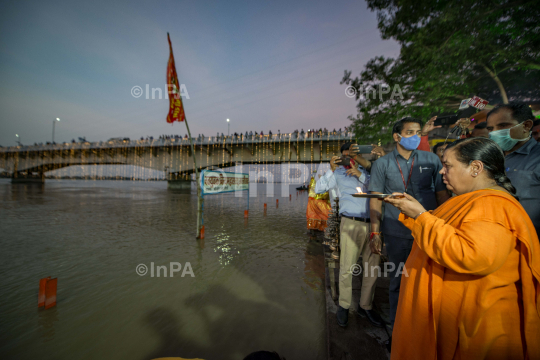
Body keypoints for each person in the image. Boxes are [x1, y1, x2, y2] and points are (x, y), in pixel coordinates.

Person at [385, 137, 540, 359]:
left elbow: (472, 256)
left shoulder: (492, 205)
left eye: (448, 165)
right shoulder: (473, 199)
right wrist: (418, 214)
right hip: (460, 319)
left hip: (475, 327)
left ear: (476, 168)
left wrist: (419, 215)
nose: (441, 172)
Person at [368, 117, 450, 330]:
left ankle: (425, 328)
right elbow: (375, 199)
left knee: (429, 280)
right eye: (410, 133)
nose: (415, 136)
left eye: (417, 132)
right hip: (396, 231)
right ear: (397, 136)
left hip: (430, 229)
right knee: (398, 279)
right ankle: (397, 330)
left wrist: (445, 227)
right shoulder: (381, 164)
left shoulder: (431, 160)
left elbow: (442, 195)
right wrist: (374, 233)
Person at [315, 142, 383, 328]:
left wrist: (360, 175)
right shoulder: (337, 174)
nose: (349, 159)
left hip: (374, 224)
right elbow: (318, 189)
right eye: (345, 156)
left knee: (372, 267)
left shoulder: (369, 171)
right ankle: (344, 305)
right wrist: (331, 169)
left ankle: (365, 305)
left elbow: (379, 188)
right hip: (350, 223)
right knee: (346, 266)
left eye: (351, 155)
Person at [486, 102, 540, 235]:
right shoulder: (488, 159)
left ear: (526, 126)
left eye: (503, 125)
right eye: (490, 128)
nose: (495, 133)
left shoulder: (537, 158)